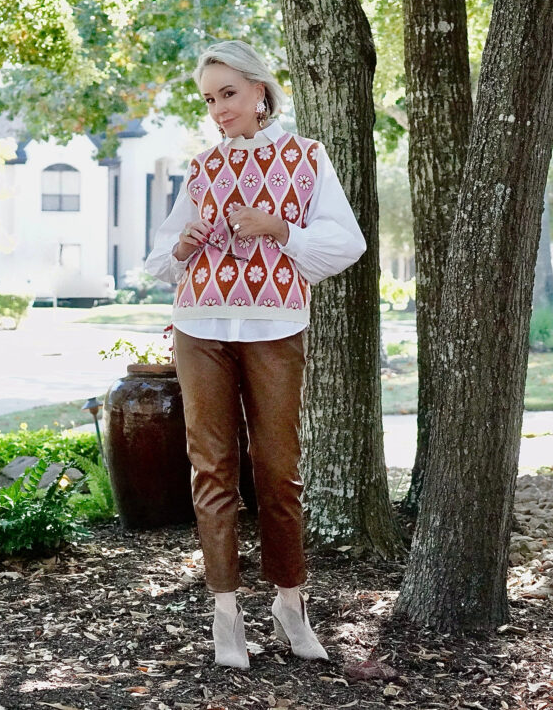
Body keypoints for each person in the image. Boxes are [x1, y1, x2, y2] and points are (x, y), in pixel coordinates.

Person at [145, 40, 365, 669]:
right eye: (210, 99)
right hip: (199, 323)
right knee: (211, 468)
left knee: (278, 469)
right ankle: (225, 614)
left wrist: (278, 229)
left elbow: (344, 242)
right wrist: (183, 246)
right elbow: (162, 257)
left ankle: (290, 604)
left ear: (261, 89)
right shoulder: (201, 168)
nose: (219, 109)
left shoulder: (306, 158)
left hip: (274, 325)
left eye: (229, 94)